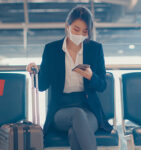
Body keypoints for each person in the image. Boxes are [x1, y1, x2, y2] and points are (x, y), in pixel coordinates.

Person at [26, 5, 113, 150]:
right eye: (76, 29)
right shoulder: (52, 50)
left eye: (85, 31)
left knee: (75, 133)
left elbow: (102, 85)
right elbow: (41, 86)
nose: (80, 34)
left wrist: (92, 76)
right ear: (67, 26)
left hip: (89, 109)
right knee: (77, 115)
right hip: (61, 110)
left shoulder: (95, 49)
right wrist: (34, 71)